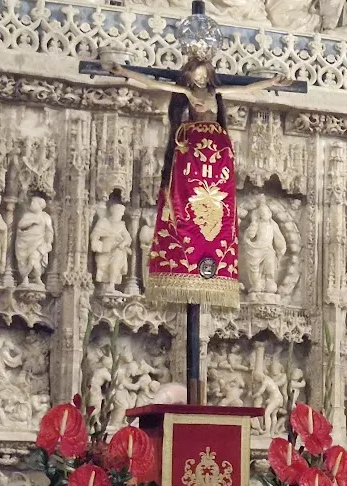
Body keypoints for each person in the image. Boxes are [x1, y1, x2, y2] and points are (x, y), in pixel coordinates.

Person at [108, 58, 290, 308]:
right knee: (187, 198)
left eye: (205, 75)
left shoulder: (216, 92)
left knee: (218, 201)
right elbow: (152, 83)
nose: (201, 80)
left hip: (216, 150)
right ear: (190, 76)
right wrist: (124, 71)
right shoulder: (184, 92)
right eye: (197, 75)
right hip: (193, 149)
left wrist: (271, 82)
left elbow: (245, 90)